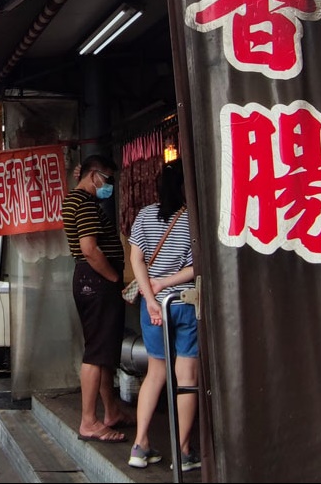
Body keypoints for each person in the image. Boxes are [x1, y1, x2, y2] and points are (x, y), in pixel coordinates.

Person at [126, 162, 200, 472]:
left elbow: (136, 258)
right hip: (183, 303)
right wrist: (166, 285)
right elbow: (198, 266)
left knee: (154, 374)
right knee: (187, 379)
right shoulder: (192, 220)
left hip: (153, 306)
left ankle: (140, 445)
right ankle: (183, 453)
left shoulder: (144, 215)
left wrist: (151, 297)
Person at [62, 153, 132, 443]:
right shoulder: (85, 204)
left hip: (89, 280)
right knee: (95, 353)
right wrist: (115, 278)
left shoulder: (74, 200)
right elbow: (89, 249)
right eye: (107, 178)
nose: (109, 185)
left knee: (102, 351)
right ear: (94, 176)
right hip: (97, 281)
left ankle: (111, 411)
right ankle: (89, 421)